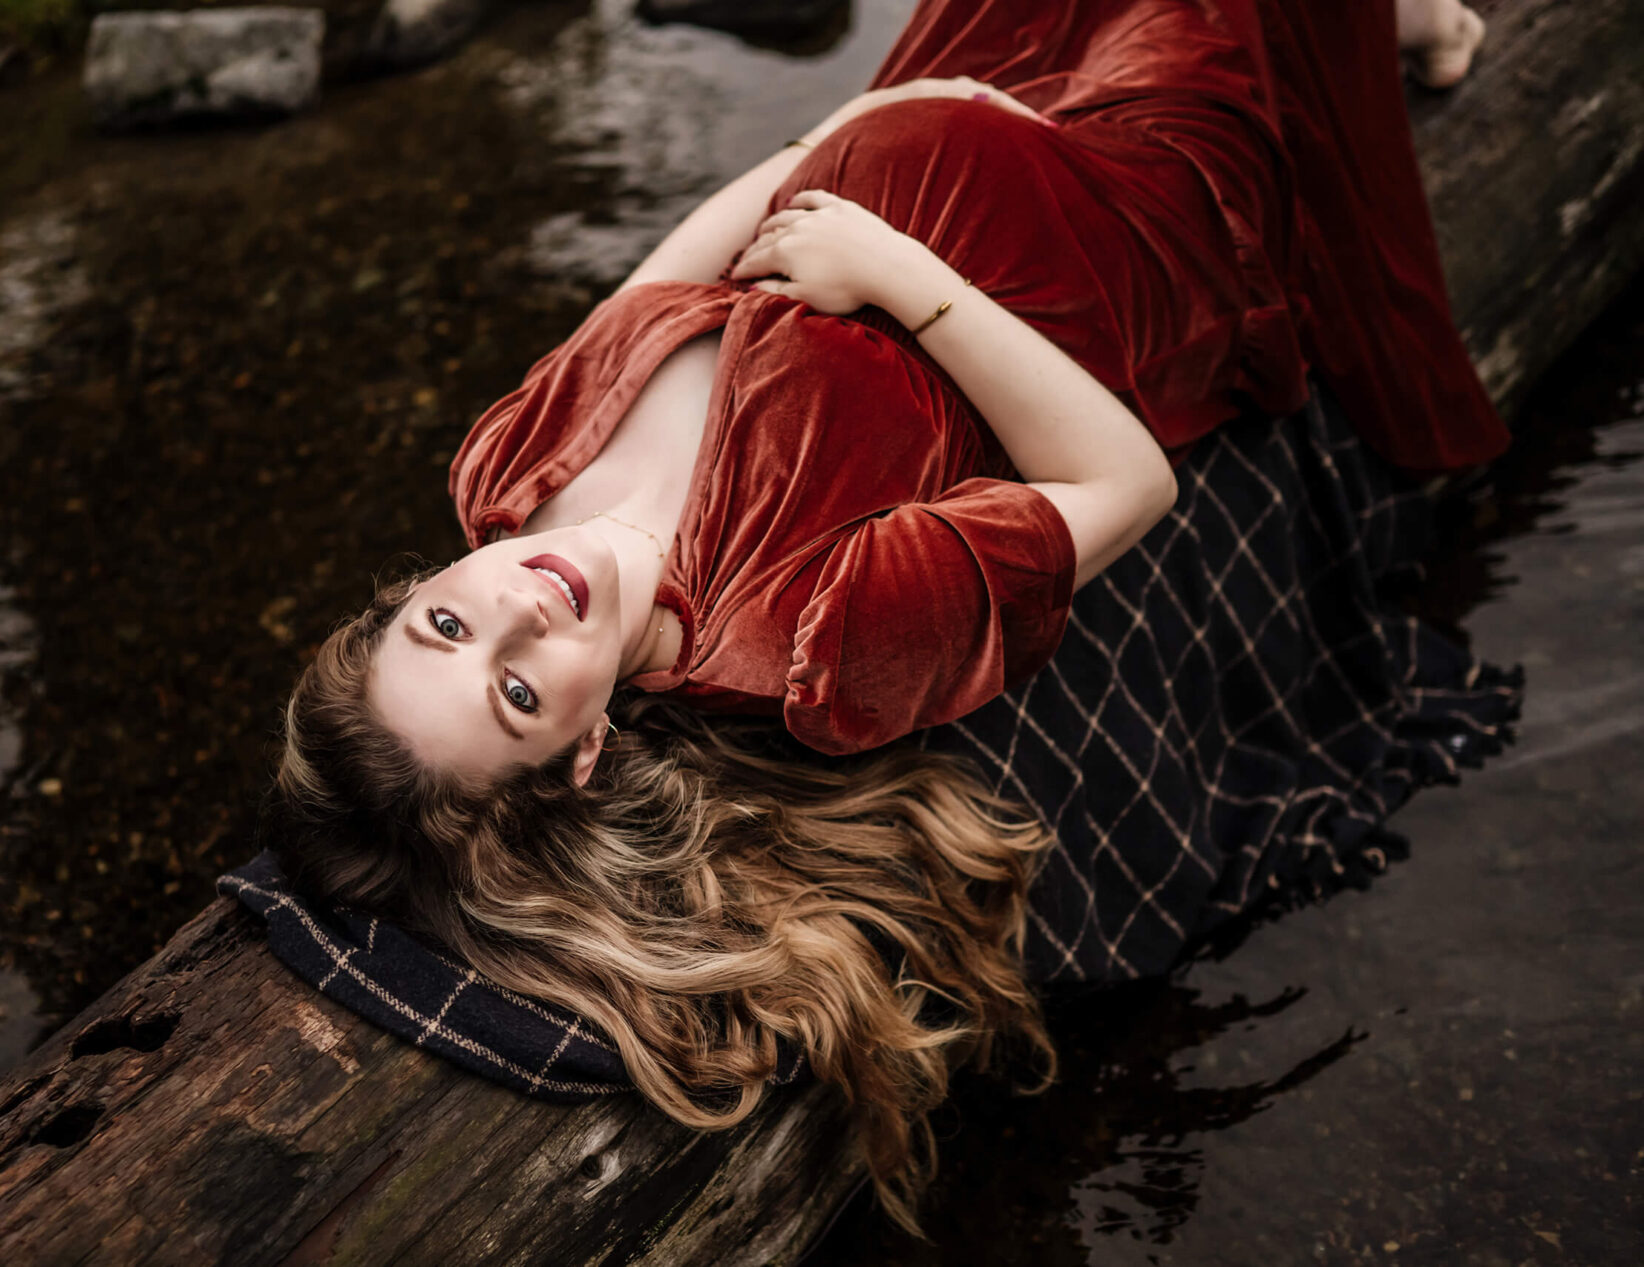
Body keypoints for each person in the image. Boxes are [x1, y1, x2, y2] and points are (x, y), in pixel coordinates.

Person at [261, 0, 1501, 1232]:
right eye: (517, 697)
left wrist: (855, 122)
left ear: (409, 595)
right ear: (586, 751)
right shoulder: (805, 633)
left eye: (444, 628)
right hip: (1124, 229)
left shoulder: (504, 472)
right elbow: (1123, 483)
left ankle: (1389, 25)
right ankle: (1412, 31)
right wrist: (905, 282)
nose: (518, 616)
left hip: (940, 107)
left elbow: (678, 268)